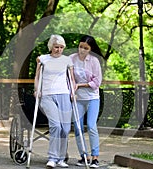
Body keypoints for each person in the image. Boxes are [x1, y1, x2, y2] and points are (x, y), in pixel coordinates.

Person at [34, 34, 75, 168]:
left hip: (64, 94)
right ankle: (52, 158)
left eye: (61, 47)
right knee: (56, 125)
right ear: (51, 47)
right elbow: (37, 76)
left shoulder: (67, 60)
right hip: (47, 95)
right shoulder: (43, 59)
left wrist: (73, 91)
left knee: (65, 128)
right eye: (56, 47)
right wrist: (36, 90)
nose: (59, 50)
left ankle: (61, 159)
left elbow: (72, 78)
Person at [69, 35, 103, 168]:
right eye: (80, 47)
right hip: (77, 98)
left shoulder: (94, 61)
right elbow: (67, 75)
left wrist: (80, 85)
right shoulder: (71, 58)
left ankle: (95, 157)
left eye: (86, 48)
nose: (82, 50)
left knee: (91, 126)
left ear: (90, 49)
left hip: (92, 98)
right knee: (77, 128)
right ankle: (84, 156)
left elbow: (97, 82)